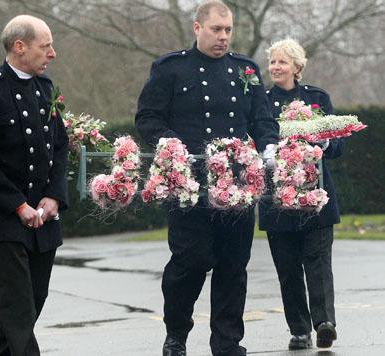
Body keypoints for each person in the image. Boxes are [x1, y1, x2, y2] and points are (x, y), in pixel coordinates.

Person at [135, 1, 279, 355]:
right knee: (191, 261)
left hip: (238, 184)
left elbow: (262, 120)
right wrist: (169, 144)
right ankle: (176, 334)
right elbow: (148, 118)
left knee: (234, 266)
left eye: (228, 30)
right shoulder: (171, 68)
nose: (223, 37)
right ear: (197, 28)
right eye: (216, 29)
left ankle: (228, 343)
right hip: (189, 186)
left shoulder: (245, 70)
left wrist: (271, 147)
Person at [0, 15, 69, 356]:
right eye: (45, 45)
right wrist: (17, 205)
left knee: (33, 302)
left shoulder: (45, 88)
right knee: (17, 308)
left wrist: (54, 196)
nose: (52, 53)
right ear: (19, 46)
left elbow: (60, 145)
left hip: (43, 219)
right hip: (5, 218)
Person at [258, 38, 343, 350]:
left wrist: (324, 145)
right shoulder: (260, 101)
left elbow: (338, 145)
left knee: (318, 261)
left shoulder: (317, 98)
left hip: (316, 198)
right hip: (276, 200)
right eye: (273, 62)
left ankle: (324, 323)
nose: (276, 68)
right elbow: (253, 140)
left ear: (297, 66)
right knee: (288, 268)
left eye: (282, 62)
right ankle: (299, 329)